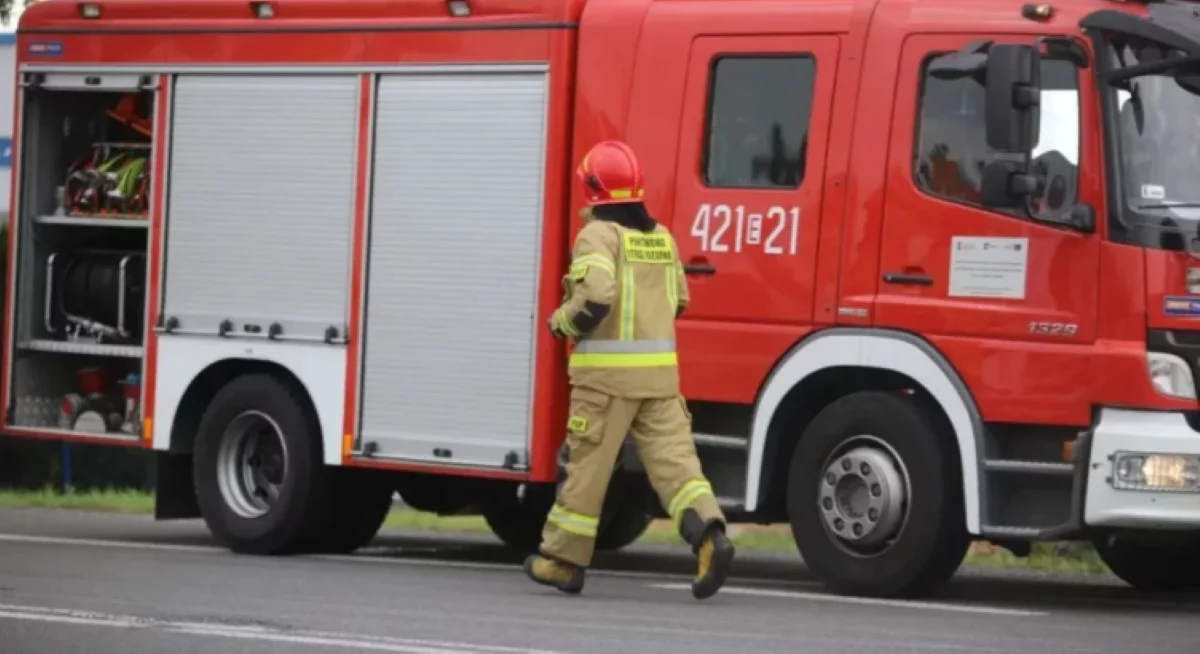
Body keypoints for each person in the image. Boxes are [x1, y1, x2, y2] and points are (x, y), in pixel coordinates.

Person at [522, 139, 735, 600]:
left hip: (605, 383)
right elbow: (680, 299)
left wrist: (562, 323)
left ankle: (561, 561)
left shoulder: (598, 235)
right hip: (660, 381)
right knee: (678, 468)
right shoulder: (660, 237)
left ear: (594, 188)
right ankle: (709, 538)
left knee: (587, 471)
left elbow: (596, 295)